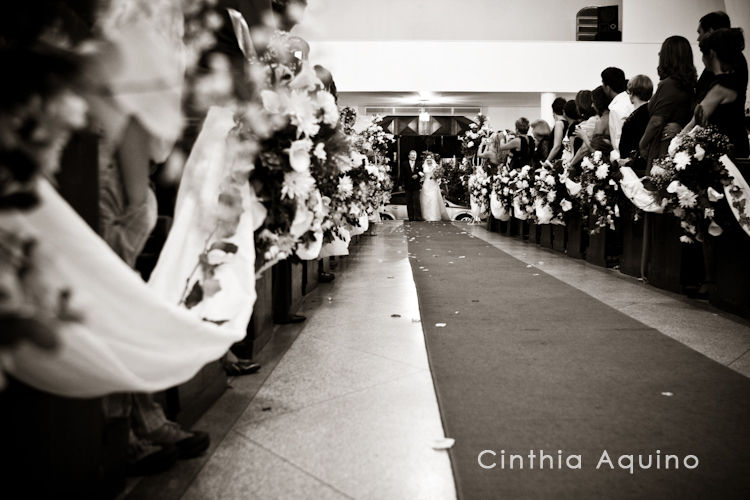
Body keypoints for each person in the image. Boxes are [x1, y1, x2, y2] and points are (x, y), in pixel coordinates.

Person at [683, 28, 750, 158]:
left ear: (711, 54)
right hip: (734, 144)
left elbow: (695, 122)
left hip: (725, 151)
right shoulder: (733, 80)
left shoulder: (720, 87)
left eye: (703, 54)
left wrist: (676, 144)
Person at [639, 36, 696, 171]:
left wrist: (642, 143)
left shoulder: (669, 84)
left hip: (664, 144)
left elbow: (656, 121)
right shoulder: (689, 84)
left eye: (661, 53)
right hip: (677, 143)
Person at [618, 75, 654, 174]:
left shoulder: (631, 120)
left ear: (632, 92)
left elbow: (624, 151)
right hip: (651, 164)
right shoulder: (653, 113)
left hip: (635, 169)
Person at [602, 67, 634, 155]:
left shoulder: (616, 108)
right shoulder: (631, 100)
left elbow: (618, 138)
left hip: (625, 157)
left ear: (607, 87)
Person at [419, 153, 449, 221]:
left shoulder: (436, 166)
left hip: (433, 184)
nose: (429, 160)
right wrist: (422, 175)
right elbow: (423, 175)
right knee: (425, 200)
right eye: (427, 158)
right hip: (426, 184)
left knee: (433, 199)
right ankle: (425, 216)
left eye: (430, 158)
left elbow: (439, 174)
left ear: (432, 159)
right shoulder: (424, 166)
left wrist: (436, 176)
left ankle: (434, 216)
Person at [544, 97, 568, 166]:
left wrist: (547, 161)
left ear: (553, 111)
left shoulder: (559, 124)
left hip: (558, 160)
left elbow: (557, 146)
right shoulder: (568, 123)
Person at [399, 149, 423, 221]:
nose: (413, 156)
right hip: (408, 186)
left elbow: (422, 173)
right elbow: (402, 175)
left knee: (417, 201)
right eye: (412, 155)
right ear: (409, 156)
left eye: (415, 155)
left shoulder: (419, 163)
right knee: (409, 202)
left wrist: (417, 176)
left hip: (416, 186)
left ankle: (418, 217)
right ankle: (411, 217)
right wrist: (400, 184)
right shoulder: (404, 164)